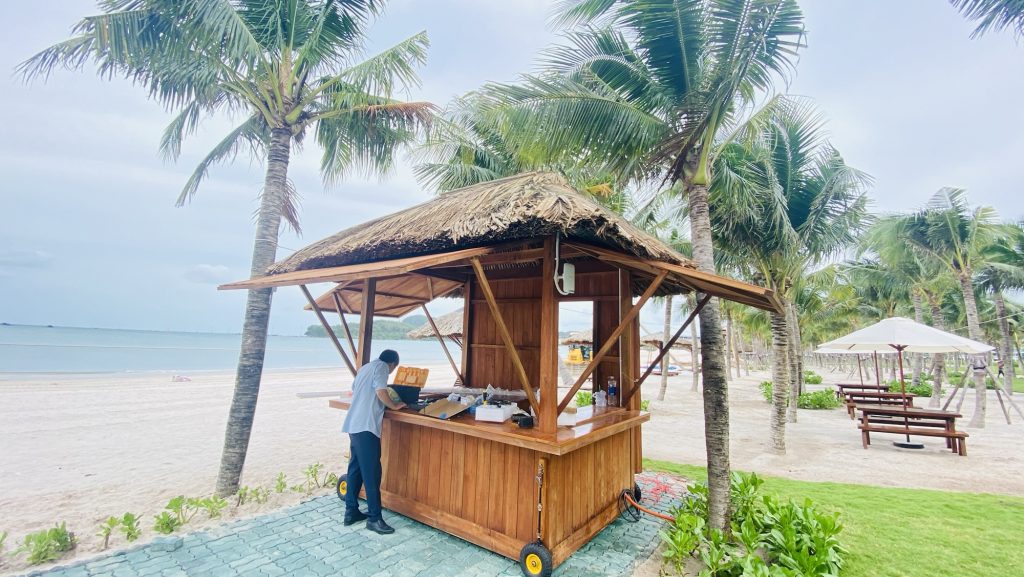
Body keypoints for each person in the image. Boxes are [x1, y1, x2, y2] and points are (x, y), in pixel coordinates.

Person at [342, 349, 404, 534]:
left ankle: (351, 512)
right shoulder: (382, 367)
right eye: (393, 369)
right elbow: (381, 391)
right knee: (372, 473)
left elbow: (355, 390)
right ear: (392, 364)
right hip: (366, 427)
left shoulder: (365, 367)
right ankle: (374, 519)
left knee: (355, 470)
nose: (390, 372)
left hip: (354, 425)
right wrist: (394, 405)